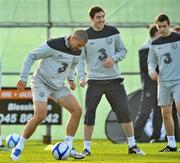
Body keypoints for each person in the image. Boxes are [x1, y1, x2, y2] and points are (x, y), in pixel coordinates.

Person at [10, 30, 88, 160]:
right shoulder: (53, 44)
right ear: (73, 38)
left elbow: (71, 66)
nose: (79, 49)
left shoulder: (77, 51)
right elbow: (31, 56)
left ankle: (68, 147)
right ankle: (19, 146)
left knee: (77, 111)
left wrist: (70, 80)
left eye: (81, 47)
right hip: (41, 83)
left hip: (57, 86)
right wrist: (23, 78)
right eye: (79, 45)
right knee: (40, 115)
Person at [77, 6, 145, 156]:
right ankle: (86, 149)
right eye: (98, 17)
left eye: (102, 16)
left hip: (114, 81)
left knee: (124, 112)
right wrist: (81, 77)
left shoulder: (113, 32)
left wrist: (113, 59)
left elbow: (123, 51)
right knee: (89, 114)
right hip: (94, 81)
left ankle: (132, 146)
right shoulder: (85, 36)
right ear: (91, 19)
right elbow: (80, 60)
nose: (101, 20)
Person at [148, 13, 180, 152]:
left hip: (178, 81)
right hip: (163, 83)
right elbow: (151, 62)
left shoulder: (178, 38)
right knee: (165, 113)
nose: (161, 29)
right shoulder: (155, 43)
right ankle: (171, 144)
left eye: (164, 26)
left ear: (169, 25)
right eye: (159, 26)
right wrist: (151, 71)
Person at [134, 24, 163, 143]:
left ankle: (155, 137)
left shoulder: (161, 47)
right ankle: (134, 137)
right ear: (155, 34)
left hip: (160, 86)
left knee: (158, 112)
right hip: (149, 87)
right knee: (144, 112)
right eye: (159, 33)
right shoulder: (144, 49)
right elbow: (145, 67)